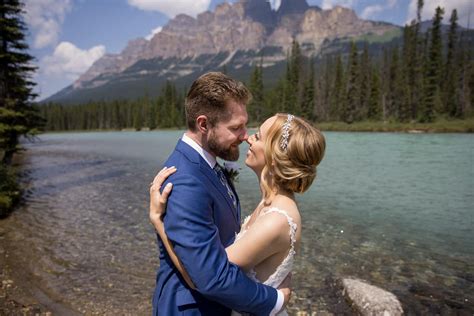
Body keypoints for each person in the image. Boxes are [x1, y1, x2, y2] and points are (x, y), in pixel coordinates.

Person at [150, 111, 326, 315]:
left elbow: (205, 276)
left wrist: (159, 222)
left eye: (258, 136)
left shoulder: (276, 220)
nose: (248, 138)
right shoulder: (269, 204)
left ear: (274, 157)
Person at [150, 72, 292, 315]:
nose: (245, 135)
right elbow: (211, 277)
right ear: (203, 124)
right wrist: (274, 300)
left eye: (245, 125)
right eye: (236, 127)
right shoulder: (185, 182)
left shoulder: (207, 163)